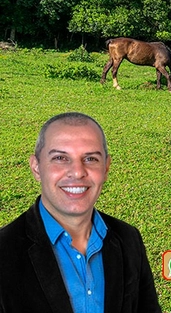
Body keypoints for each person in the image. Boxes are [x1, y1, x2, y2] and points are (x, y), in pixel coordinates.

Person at [0, 112, 162, 313]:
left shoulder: (129, 239)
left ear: (106, 168)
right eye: (60, 158)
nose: (77, 172)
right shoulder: (4, 250)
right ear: (36, 167)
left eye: (91, 158)